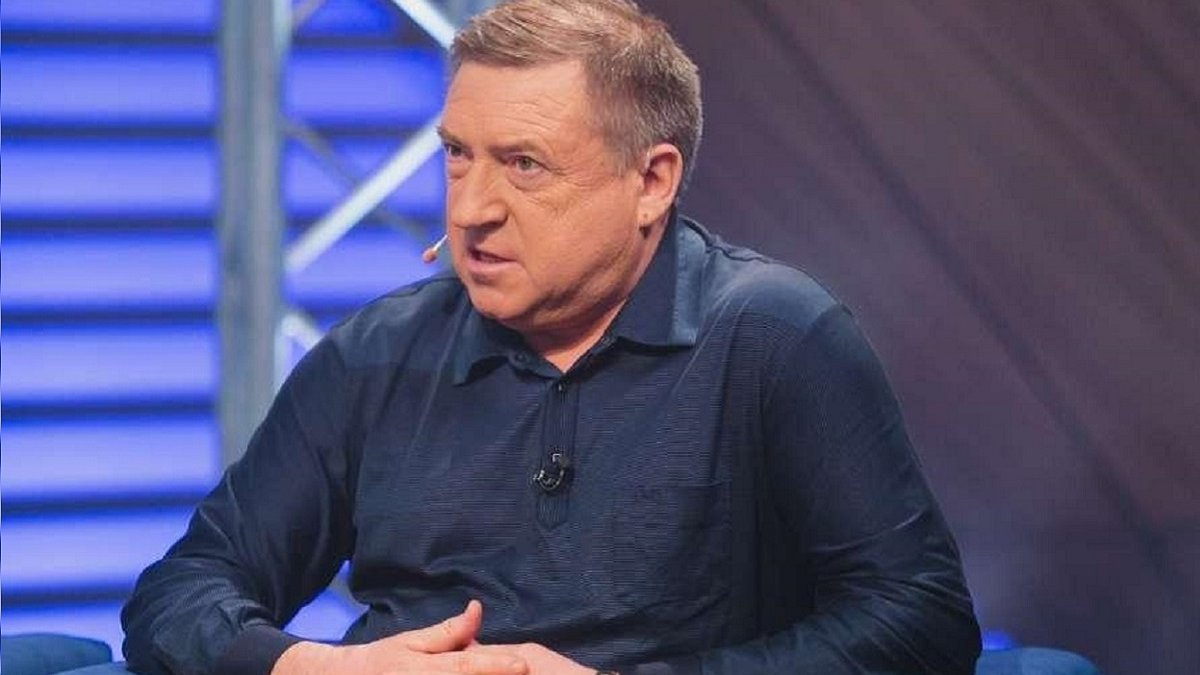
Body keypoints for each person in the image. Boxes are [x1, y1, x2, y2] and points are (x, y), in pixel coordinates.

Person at [122, 1, 981, 673]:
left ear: (652, 181)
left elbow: (920, 620)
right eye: (458, 154)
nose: (469, 208)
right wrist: (318, 667)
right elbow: (179, 591)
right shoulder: (375, 353)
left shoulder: (776, 338)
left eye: (523, 164)